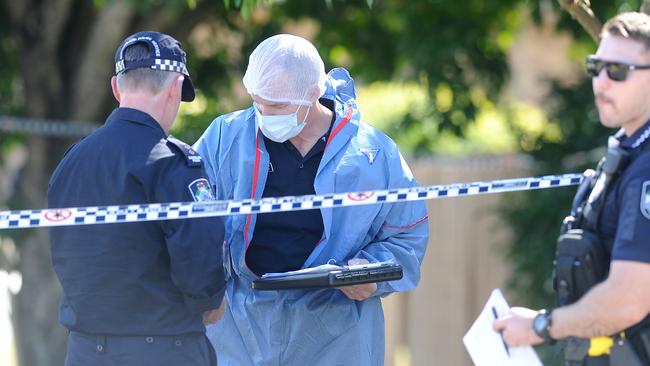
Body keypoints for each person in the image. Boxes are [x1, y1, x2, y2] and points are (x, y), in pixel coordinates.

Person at [193, 34, 429, 365]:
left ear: (314, 93)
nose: (264, 114)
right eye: (257, 102)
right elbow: (190, 220)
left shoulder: (373, 154)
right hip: (238, 327)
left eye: (277, 106)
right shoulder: (225, 136)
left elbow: (406, 237)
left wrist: (370, 273)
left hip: (336, 332)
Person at [48, 31, 226, 366]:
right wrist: (210, 299)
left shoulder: (71, 162)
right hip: (162, 349)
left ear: (116, 88)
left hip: (84, 351)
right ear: (176, 88)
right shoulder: (173, 162)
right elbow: (199, 257)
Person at [493, 12, 650, 365]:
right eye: (597, 67)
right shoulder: (624, 158)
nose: (601, 83)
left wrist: (542, 325)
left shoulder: (645, 169)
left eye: (618, 71)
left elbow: (629, 300)